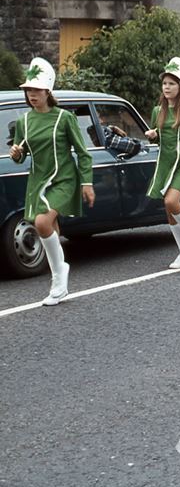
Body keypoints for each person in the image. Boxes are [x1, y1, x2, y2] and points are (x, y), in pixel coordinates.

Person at [9, 57, 95, 305]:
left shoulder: (64, 118)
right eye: (28, 90)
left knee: (42, 222)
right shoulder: (24, 121)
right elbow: (21, 154)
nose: (31, 95)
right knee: (50, 228)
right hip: (38, 181)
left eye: (36, 90)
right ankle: (60, 281)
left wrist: (86, 183)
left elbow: (83, 152)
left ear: (48, 91)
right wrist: (17, 154)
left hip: (64, 179)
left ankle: (59, 276)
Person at [144, 57, 180, 269]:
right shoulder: (157, 111)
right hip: (164, 164)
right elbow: (158, 136)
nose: (166, 87)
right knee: (168, 211)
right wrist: (153, 135)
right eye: (164, 83)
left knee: (171, 202)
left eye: (171, 83)